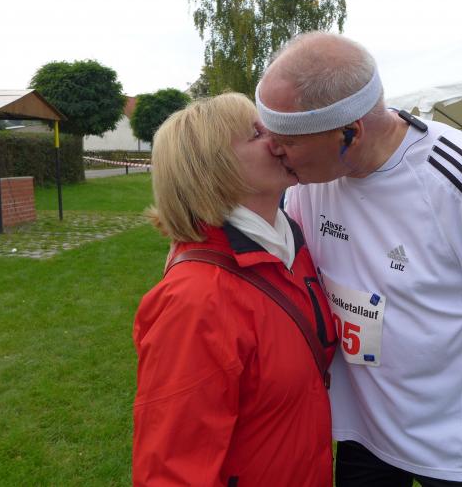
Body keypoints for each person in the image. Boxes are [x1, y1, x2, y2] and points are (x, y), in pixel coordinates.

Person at [256, 32, 462, 487]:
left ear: (349, 133)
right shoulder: (310, 181)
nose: (273, 150)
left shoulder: (459, 177)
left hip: (459, 450)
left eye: (287, 139)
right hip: (362, 438)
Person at [132, 93, 337, 486]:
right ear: (215, 169)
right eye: (256, 134)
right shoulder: (195, 300)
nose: (278, 138)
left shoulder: (291, 243)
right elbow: (172, 469)